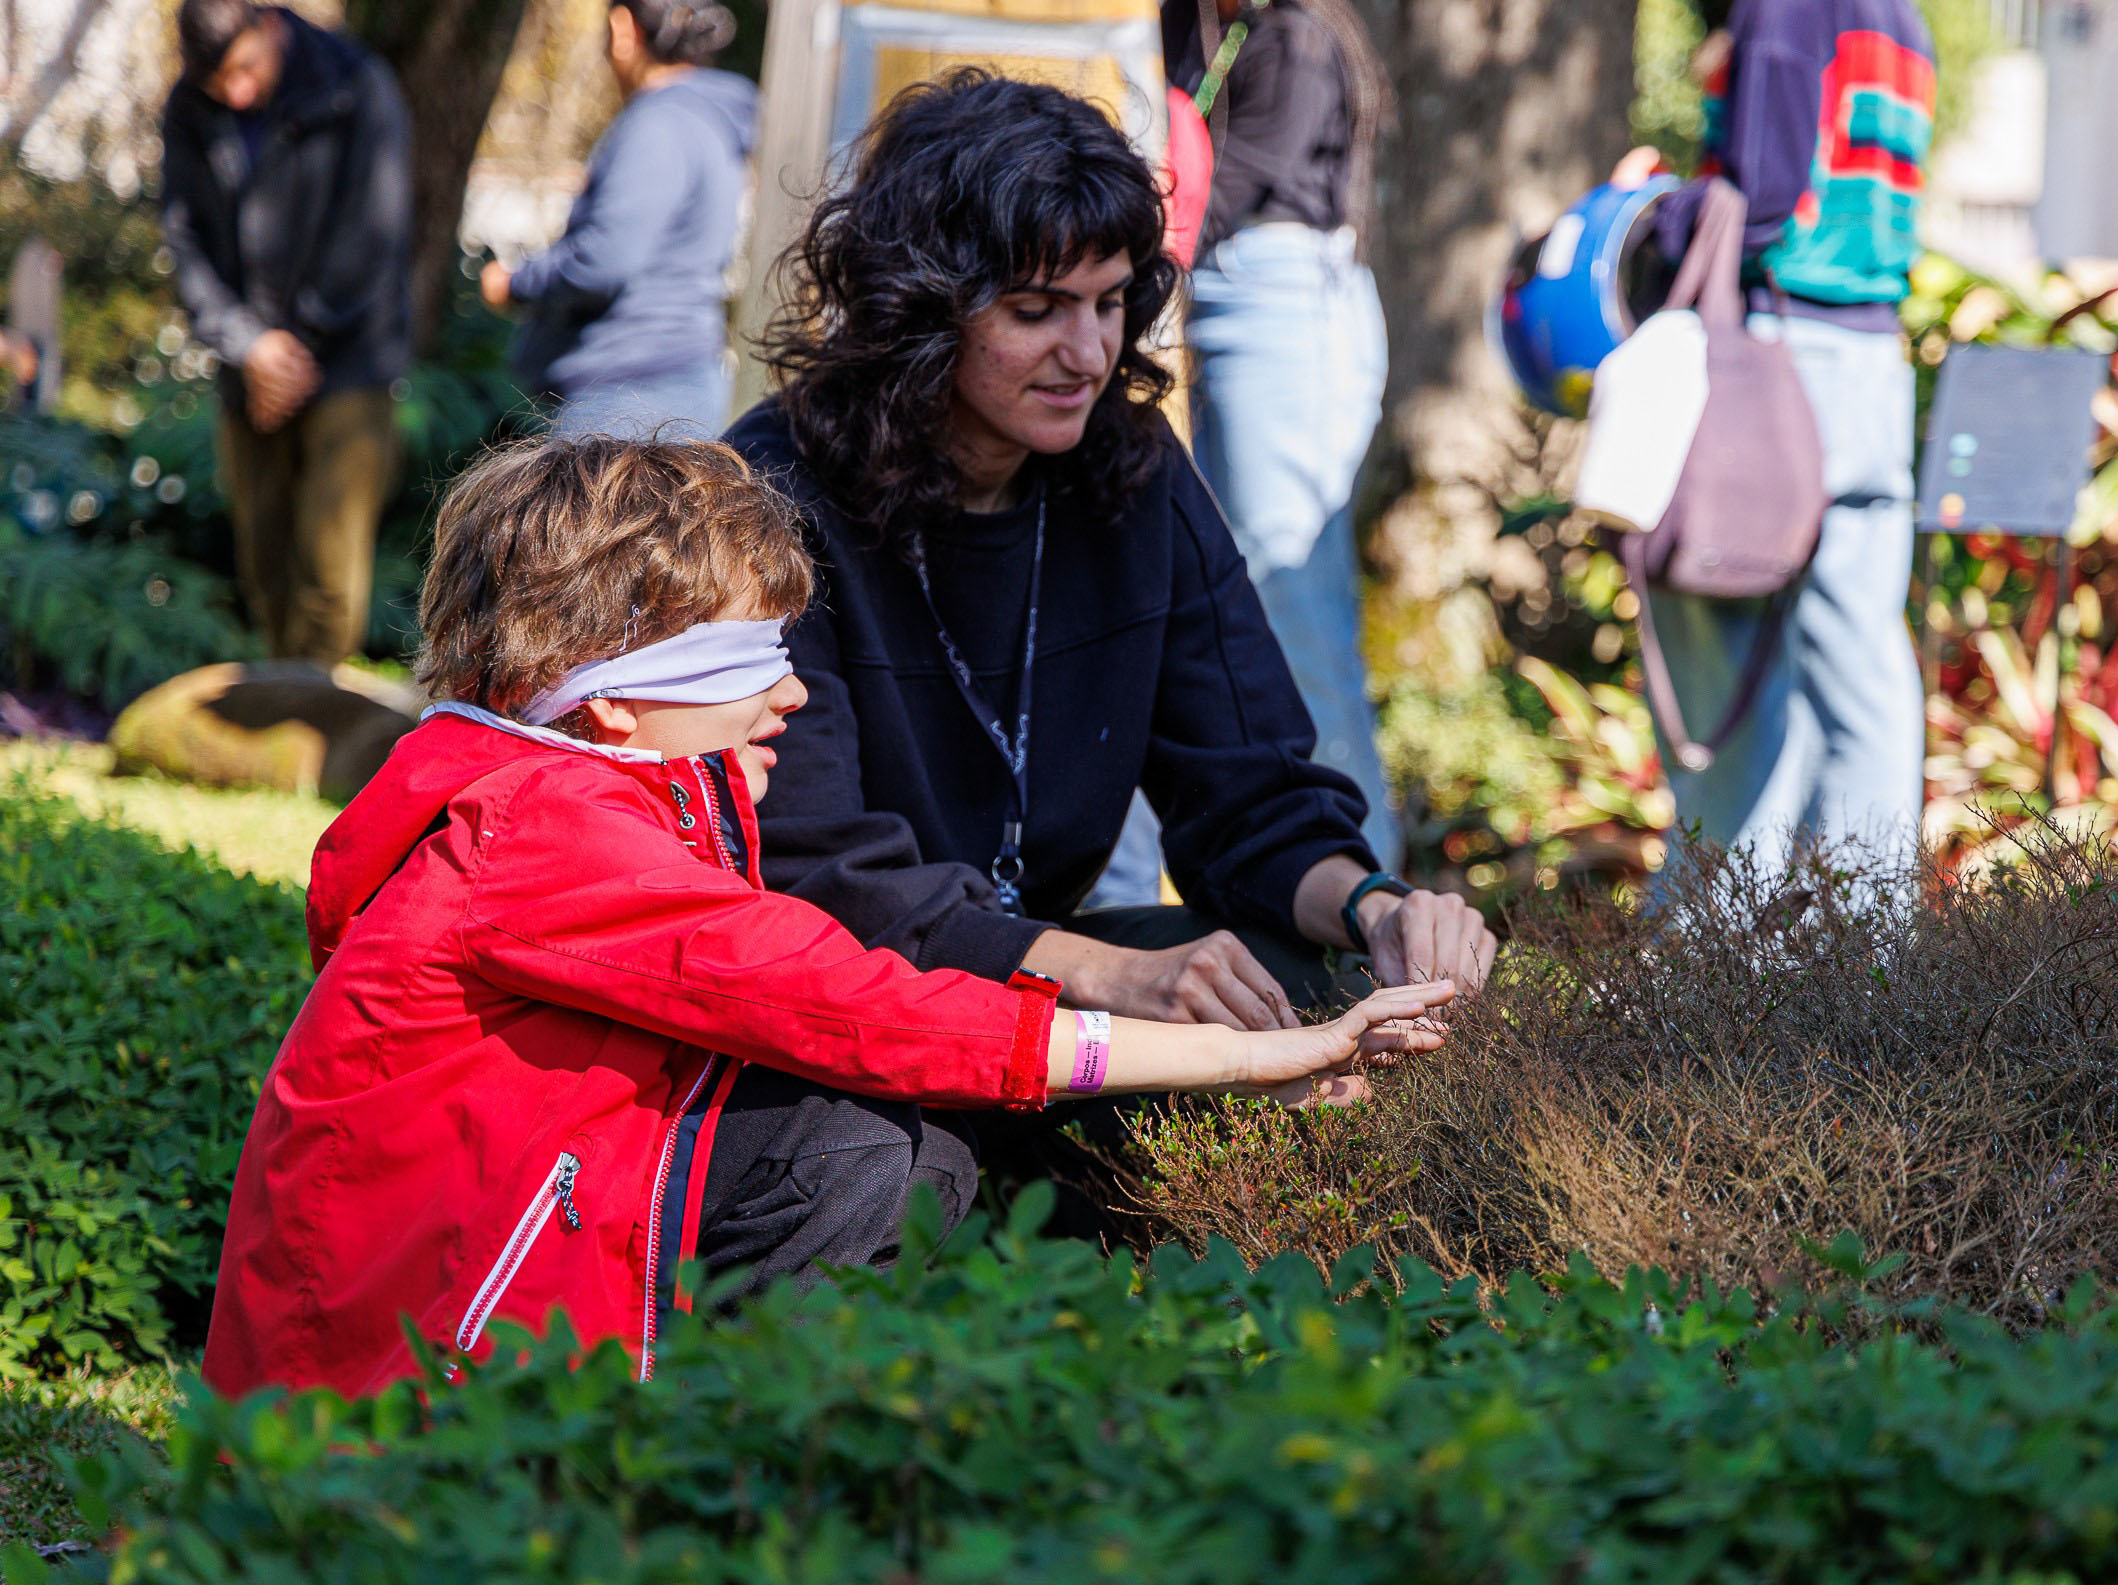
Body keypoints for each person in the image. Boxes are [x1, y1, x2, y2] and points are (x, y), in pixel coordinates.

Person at [201, 434, 1454, 1399]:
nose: (791, 693)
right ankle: (731, 1485)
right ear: (610, 697)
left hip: (444, 1324)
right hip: (387, 1404)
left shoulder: (544, 792)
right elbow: (863, 1007)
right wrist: (1253, 1054)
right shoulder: (547, 833)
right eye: (743, 662)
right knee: (862, 1145)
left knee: (887, 1138)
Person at [723, 73, 1492, 1222]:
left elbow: (1251, 792)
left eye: (1112, 300)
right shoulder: (773, 493)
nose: (1086, 351)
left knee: (1343, 994)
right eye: (1037, 309)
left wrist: (1378, 908)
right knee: (885, 1151)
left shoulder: (1131, 472)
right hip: (853, 1012)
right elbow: (820, 877)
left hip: (1053, 989)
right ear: (919, 311)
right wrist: (1116, 977)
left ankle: (1243, 1262)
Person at [1616, 0, 1934, 880]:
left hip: (1777, 361)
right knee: (1859, 674)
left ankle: (1720, 943)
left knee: (1728, 671)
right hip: (1870, 355)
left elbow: (1759, 206)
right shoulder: (1902, 16)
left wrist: (1656, 208)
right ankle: (1869, 940)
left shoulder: (1786, 7)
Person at [1097, 0, 1399, 904]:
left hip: (1279, 309)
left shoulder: (1296, 36)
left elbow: (1225, 191)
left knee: (1293, 616)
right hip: (1211, 304)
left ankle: (1368, 907)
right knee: (1209, 603)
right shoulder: (1189, 24)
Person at [160, 0, 411, 667]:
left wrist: (291, 350)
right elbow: (184, 241)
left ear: (268, 25)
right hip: (249, 366)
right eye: (220, 83)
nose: (237, 93)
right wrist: (250, 346)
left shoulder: (356, 85)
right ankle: (279, 698)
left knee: (329, 566)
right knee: (264, 556)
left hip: (350, 359)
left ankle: (314, 709)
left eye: (246, 69)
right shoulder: (189, 106)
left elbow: (374, 232)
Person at [482, 2, 756, 439]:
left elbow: (604, 261)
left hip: (627, 400)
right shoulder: (709, 119)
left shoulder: (658, 124)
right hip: (679, 385)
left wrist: (515, 282)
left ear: (623, 28)